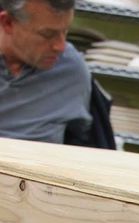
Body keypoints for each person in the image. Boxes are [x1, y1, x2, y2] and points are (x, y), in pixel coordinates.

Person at [0, 0, 92, 143]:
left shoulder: (71, 71)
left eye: (65, 31)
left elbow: (81, 142)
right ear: (8, 23)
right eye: (48, 34)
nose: (60, 46)